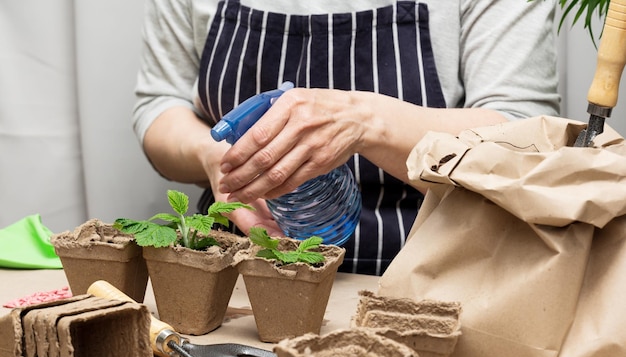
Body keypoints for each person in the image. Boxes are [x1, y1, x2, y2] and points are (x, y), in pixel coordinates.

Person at [133, 0, 560, 275]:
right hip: (241, 282)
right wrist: (217, 158)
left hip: (434, 283)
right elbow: (159, 105)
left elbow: (524, 139)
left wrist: (366, 123)